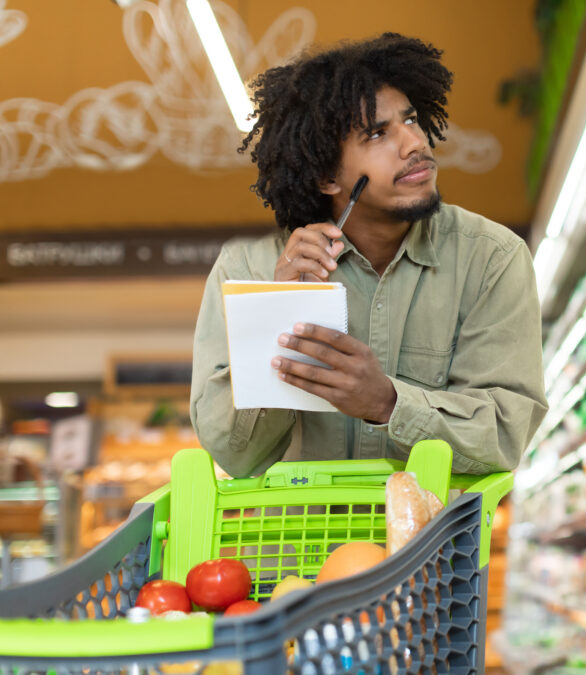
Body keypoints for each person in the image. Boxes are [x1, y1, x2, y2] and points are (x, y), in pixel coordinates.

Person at [190, 34, 548, 477]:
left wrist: (387, 403)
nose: (414, 143)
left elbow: (504, 436)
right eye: (378, 134)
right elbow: (234, 454)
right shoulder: (248, 271)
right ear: (325, 177)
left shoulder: (491, 259)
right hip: (293, 544)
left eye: (411, 120)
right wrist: (278, 313)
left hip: (430, 545)